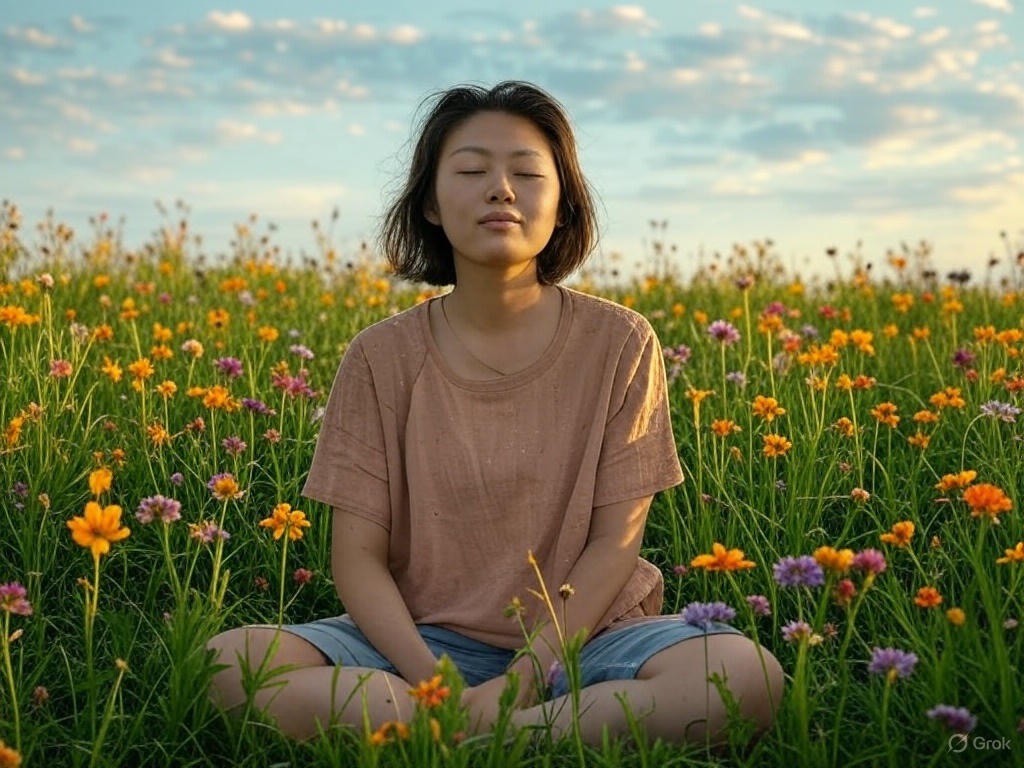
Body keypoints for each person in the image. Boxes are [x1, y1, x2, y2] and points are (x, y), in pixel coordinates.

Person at [207, 80, 784, 746]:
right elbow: (357, 557)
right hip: (416, 647)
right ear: (428, 201)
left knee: (746, 675)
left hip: (589, 643)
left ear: (564, 203)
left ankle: (481, 734)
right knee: (231, 664)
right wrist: (432, 680)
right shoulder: (380, 356)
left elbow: (615, 542)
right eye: (473, 170)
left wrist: (527, 677)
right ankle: (489, 725)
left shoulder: (622, 342)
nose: (501, 189)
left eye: (528, 173)